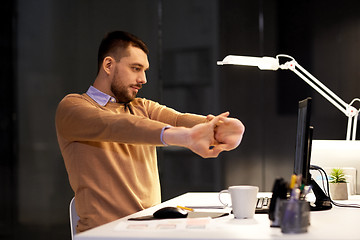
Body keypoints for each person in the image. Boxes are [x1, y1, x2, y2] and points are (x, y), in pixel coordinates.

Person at [55, 31, 245, 233]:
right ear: (108, 65)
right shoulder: (72, 108)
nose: (143, 79)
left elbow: (178, 119)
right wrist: (182, 137)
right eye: (136, 68)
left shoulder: (142, 107)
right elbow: (116, 125)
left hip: (150, 229)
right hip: (103, 234)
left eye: (145, 70)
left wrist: (219, 130)